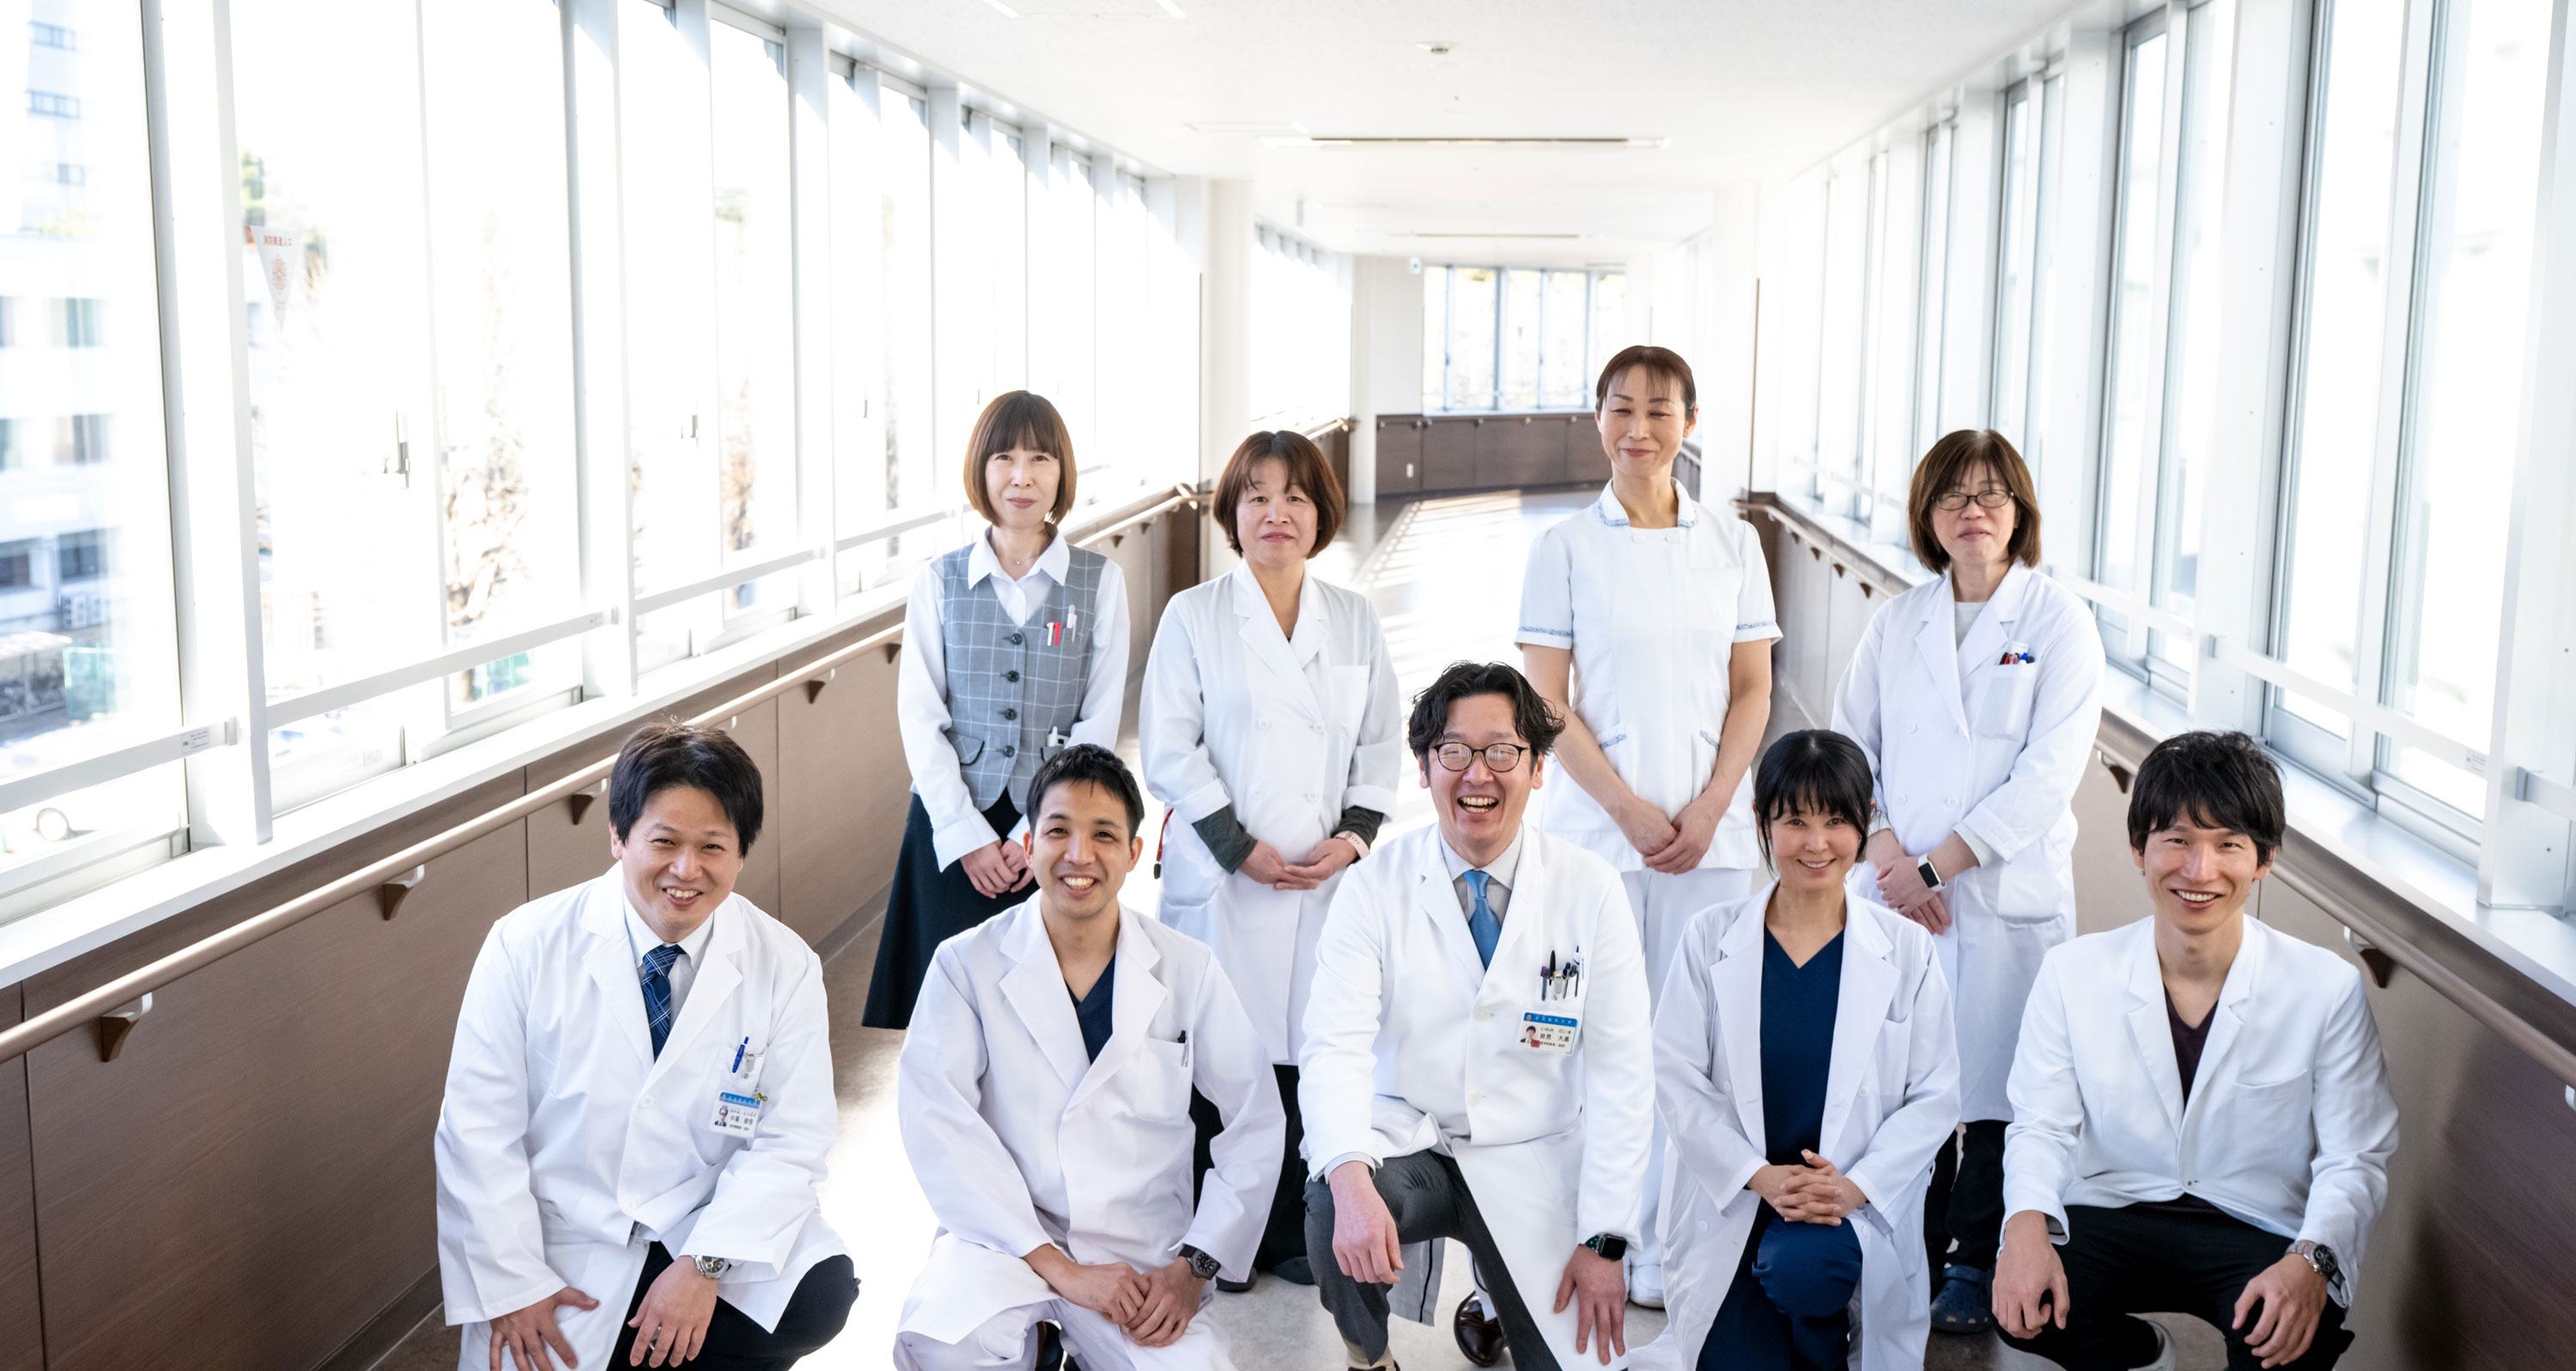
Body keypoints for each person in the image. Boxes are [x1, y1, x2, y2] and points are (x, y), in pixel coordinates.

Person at [434, 722, 854, 1371]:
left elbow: (791, 1138)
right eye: (664, 841)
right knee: (551, 1349)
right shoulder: (525, 945)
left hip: (698, 1218)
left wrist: (704, 1263)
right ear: (618, 837)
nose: (686, 870)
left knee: (819, 1295)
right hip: (569, 1236)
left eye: (712, 846)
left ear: (742, 853)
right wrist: (514, 1286)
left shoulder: (783, 962)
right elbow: (476, 1131)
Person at [1994, 731, 2398, 1371]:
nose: (2199, 870)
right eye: (2177, 840)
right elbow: (2040, 1124)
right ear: (2139, 849)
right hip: (2117, 1207)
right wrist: (2022, 1228)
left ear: (2264, 860)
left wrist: (2311, 1260)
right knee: (2023, 1304)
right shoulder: (2072, 973)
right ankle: (2141, 1354)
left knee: (2292, 1342)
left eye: (2228, 844)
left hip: (2254, 1222)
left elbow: (2356, 1156)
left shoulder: (2326, 989)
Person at [1516, 343, 1778, 1307]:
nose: (1640, 427)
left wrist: (1711, 805)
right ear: (1598, 420)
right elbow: (1546, 701)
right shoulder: (1564, 547)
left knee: (1690, 1048)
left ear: (1690, 423)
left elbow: (1752, 690)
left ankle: (1668, 1248)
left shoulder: (1733, 543)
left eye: (1660, 409)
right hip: (1597, 835)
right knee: (1579, 1038)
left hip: (1712, 841)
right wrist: (1626, 808)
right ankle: (1578, 1238)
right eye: (1621, 408)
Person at [1299, 661, 1653, 1371]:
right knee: (1334, 1197)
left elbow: (1623, 1073)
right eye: (1455, 751)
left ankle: (1496, 1293)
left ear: (1539, 767)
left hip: (1534, 1151)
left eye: (1502, 752)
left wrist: (1605, 1239)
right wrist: (1350, 1178)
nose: (1477, 774)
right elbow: (1333, 1046)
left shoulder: (1591, 888)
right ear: (1425, 768)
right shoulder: (1372, 888)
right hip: (1412, 1142)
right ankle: (1369, 1357)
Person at [1828, 428, 2104, 1332]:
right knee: (1899, 1076)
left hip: (1995, 891)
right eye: (1952, 495)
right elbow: (1850, 743)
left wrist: (1935, 867)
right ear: (1928, 515)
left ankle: (1974, 1258)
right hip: (1896, 886)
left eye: (1991, 494)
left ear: (2019, 511)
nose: (1972, 510)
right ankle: (1902, 1241)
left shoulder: (2058, 623)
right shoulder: (1897, 620)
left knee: (1996, 1088)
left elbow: (2047, 772)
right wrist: (1886, 855)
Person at [892, 744, 1286, 1371]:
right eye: (1058, 831)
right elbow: (940, 1128)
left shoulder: (1188, 968)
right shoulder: (965, 964)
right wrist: (1061, 1269)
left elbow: (1256, 1119)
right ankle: (1039, 1346)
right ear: (1028, 846)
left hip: (1141, 1259)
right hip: (1008, 1243)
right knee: (947, 1345)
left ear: (1134, 853)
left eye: (1104, 834)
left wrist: (1194, 1267)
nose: (1079, 854)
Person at [1141, 429, 1402, 1284]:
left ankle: (1290, 1232)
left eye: (1295, 496)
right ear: (1232, 512)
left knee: (1306, 1051)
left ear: (1321, 513)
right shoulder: (1195, 615)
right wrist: (1237, 844)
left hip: (1322, 882)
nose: (1276, 512)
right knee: (1221, 1057)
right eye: (1257, 495)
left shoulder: (1354, 618)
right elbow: (1170, 746)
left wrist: (1353, 837)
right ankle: (1215, 1232)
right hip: (1226, 880)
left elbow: (1381, 743)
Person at [1637, 730, 1960, 1371]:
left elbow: (1935, 1095)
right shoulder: (1710, 937)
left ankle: (1826, 1348)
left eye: (1836, 821)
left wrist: (1855, 1187)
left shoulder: (1906, 950)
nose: (1817, 843)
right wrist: (1761, 1177)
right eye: (1796, 822)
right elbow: (1675, 1076)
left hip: (1840, 1214)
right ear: (1763, 821)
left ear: (1866, 821)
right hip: (1738, 1200)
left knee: (1809, 1269)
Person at [865, 390, 1131, 1030]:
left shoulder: (1100, 581)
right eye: (1004, 458)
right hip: (954, 818)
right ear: (980, 470)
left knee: (1045, 1013)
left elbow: (1099, 718)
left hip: (1054, 823)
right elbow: (921, 717)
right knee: (948, 1017)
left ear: (1062, 472)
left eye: (1040, 458)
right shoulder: (939, 580)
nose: (1022, 476)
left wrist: (1033, 835)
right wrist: (965, 835)